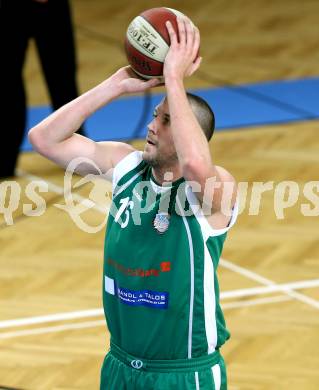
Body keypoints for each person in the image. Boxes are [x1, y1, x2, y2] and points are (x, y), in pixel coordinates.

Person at [28, 16, 237, 390]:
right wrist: (115, 85)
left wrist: (174, 78)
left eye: (168, 120)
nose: (152, 125)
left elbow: (194, 164)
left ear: (195, 134)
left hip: (183, 374)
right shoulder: (126, 167)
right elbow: (44, 139)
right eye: (155, 115)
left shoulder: (214, 190)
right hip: (120, 366)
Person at [1, 0, 84, 179]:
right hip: (10, 8)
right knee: (7, 85)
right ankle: (5, 160)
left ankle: (77, 154)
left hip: (51, 6)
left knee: (63, 79)